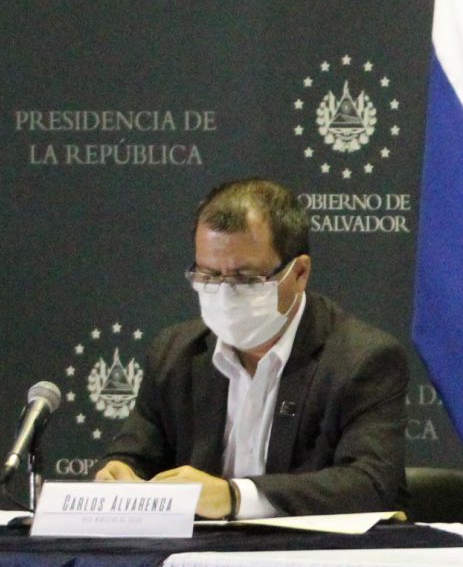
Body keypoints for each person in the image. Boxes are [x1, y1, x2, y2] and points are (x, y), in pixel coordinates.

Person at [95, 178, 409, 517]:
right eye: (209, 276)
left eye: (245, 278)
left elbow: (371, 484)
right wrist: (120, 472)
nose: (225, 293)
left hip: (307, 550)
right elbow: (135, 456)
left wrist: (234, 497)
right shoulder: (174, 353)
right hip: (198, 550)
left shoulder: (362, 359)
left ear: (299, 272)